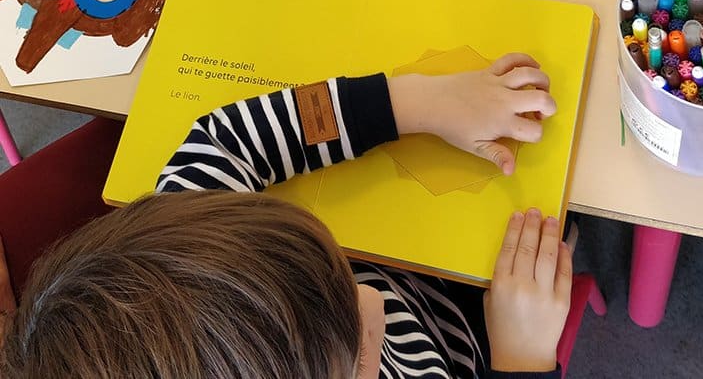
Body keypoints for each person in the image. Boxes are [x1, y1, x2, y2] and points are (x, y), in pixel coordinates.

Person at [0, 53, 573, 378]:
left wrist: (414, 102)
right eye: (361, 350)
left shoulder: (180, 253)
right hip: (470, 342)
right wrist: (521, 356)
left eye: (341, 278)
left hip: (430, 270)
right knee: (567, 229)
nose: (369, 296)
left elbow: (226, 141)